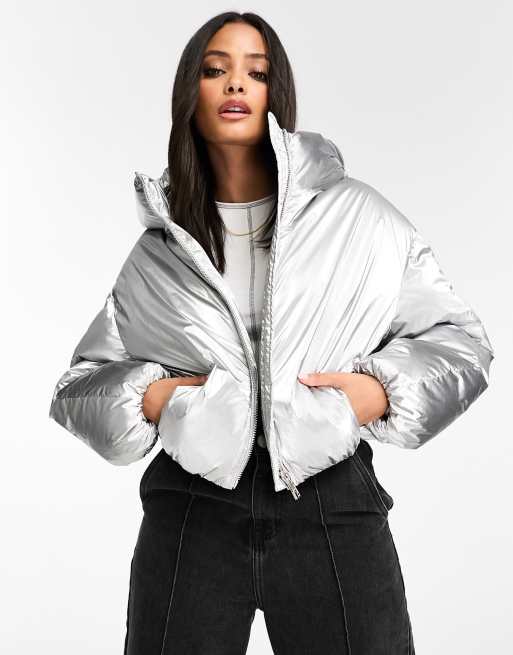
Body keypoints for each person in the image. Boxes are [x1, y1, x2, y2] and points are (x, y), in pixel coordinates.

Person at [48, 11, 494, 655]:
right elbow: (77, 388)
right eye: (215, 69)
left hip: (330, 502)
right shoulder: (162, 251)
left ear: (274, 94)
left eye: (255, 72)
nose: (236, 84)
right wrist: (152, 398)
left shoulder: (358, 217)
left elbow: (462, 345)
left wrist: (377, 393)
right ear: (191, 92)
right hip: (192, 512)